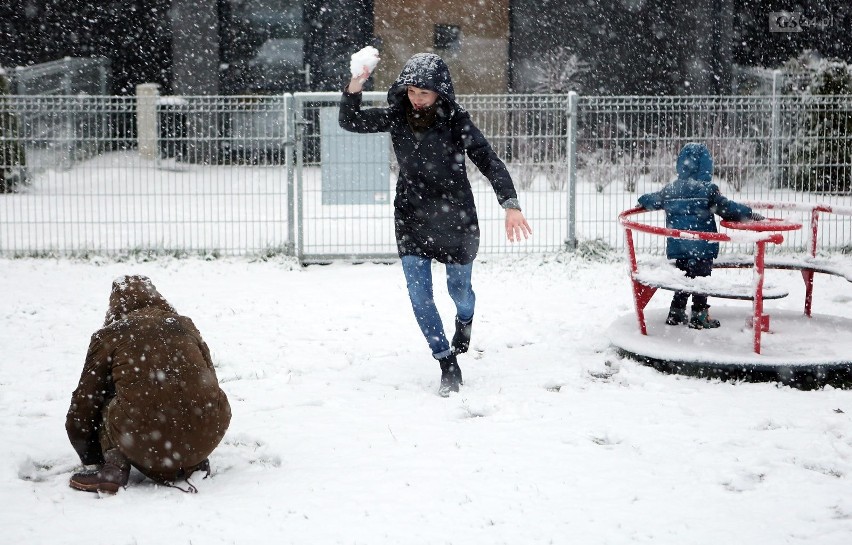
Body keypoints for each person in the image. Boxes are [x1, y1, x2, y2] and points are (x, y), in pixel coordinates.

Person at [339, 50, 532, 396]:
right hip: (411, 216)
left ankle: (465, 320)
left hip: (455, 218)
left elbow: (489, 160)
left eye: (423, 93)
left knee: (459, 292)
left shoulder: (457, 121)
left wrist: (511, 204)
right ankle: (446, 361)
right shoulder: (398, 117)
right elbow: (349, 121)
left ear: (440, 92)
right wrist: (357, 83)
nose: (416, 99)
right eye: (411, 92)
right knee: (419, 294)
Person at [65, 275, 231, 494]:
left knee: (106, 399)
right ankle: (191, 461)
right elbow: (209, 379)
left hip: (145, 440)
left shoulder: (109, 335)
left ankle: (113, 467)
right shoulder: (184, 324)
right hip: (207, 433)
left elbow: (84, 402)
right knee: (192, 389)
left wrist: (89, 454)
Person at [637, 142, 763, 329]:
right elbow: (729, 209)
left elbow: (649, 200)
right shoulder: (708, 191)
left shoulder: (670, 190)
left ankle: (676, 312)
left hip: (679, 246)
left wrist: (643, 200)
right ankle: (699, 315)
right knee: (701, 281)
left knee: (684, 279)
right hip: (702, 248)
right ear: (706, 167)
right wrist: (749, 214)